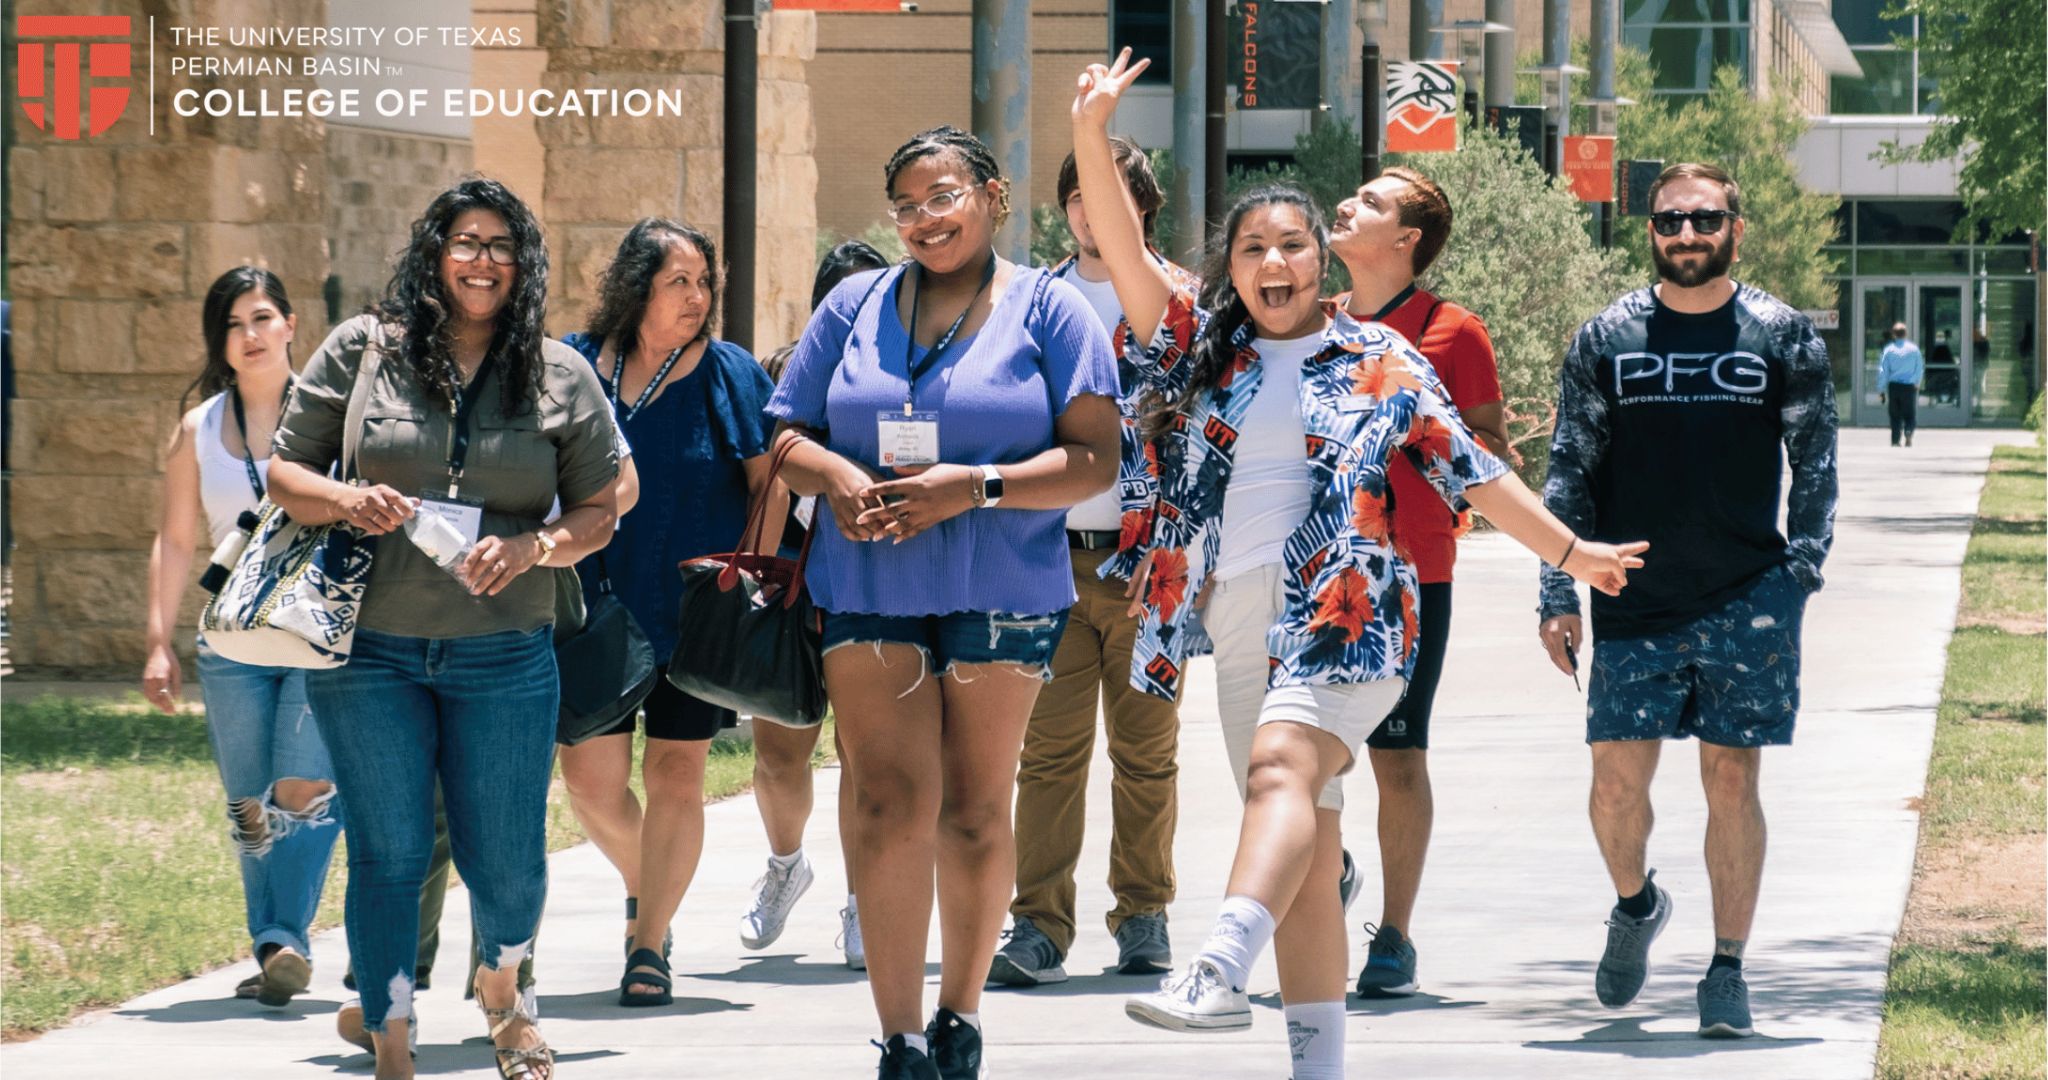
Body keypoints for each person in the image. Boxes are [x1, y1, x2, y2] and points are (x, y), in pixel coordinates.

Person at [1073, 52, 1644, 1080]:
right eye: (1251, 248)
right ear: (1231, 267)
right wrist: (1090, 131)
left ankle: (1213, 969)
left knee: (1278, 774)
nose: (1272, 260)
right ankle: (1318, 1068)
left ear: (1319, 265)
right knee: (1300, 832)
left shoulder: (1381, 358)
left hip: (1350, 611)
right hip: (1240, 615)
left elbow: (1471, 472)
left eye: (1291, 242)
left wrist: (1571, 554)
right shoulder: (1205, 346)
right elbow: (1116, 242)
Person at [765, 125, 1121, 1080]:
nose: (925, 219)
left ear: (992, 195)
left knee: (972, 808)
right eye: (907, 205)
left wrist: (975, 486)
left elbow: (1097, 461)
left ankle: (960, 1015)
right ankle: (900, 1037)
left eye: (944, 196)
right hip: (870, 581)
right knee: (887, 804)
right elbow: (784, 437)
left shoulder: (1051, 312)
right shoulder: (854, 303)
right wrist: (835, 474)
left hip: (1002, 591)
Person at [269, 176, 621, 1080]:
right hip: (369, 652)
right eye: (466, 241)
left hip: (504, 652)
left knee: (504, 859)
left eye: (502, 246)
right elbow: (284, 473)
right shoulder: (362, 352)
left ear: (524, 265)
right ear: (434, 252)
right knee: (387, 852)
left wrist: (535, 546)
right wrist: (349, 497)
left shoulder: (557, 372)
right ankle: (390, 1030)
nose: (482, 261)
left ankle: (504, 991)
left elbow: (598, 512)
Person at [1538, 162, 1838, 1040]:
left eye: (1705, 220)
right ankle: (1636, 905)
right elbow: (1570, 468)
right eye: (1671, 221)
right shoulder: (1608, 336)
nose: (1687, 235)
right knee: (1613, 787)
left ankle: (1727, 968)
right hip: (1631, 592)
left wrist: (1800, 575)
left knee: (1732, 779)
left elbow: (1816, 466)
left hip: (1748, 597)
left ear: (1734, 229)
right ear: (1652, 231)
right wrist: (1558, 585)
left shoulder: (1782, 336)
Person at [555, 217, 783, 1008]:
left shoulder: (730, 374)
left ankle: (648, 942)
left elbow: (772, 482)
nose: (696, 298)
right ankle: (646, 882)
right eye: (677, 282)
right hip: (594, 608)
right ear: (635, 289)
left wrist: (751, 578)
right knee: (589, 782)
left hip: (698, 612)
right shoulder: (575, 364)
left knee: (676, 772)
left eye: (703, 282)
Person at [990, 138, 1198, 988]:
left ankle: (1143, 915)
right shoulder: (1031, 302)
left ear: (1140, 203)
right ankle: (1039, 925)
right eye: (1076, 193)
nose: (1087, 210)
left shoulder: (1181, 301)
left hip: (1151, 567)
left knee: (1147, 753)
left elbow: (1203, 438)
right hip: (1046, 560)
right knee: (1046, 756)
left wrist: (1180, 544)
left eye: (1106, 193)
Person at [1326, 167, 1512, 998]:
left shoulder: (1453, 331)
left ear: (1406, 241)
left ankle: (1394, 936)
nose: (1345, 206)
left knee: (1396, 758)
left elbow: (1492, 460)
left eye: (1369, 202)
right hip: (1314, 573)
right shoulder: (1309, 324)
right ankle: (1320, 864)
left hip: (1411, 574)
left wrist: (1410, 441)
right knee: (1300, 753)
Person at [141, 266, 341, 1009]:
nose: (249, 335)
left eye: (262, 318)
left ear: (291, 325)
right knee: (252, 804)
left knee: (304, 789)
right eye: (233, 324)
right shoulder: (199, 431)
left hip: (315, 635)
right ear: (219, 342)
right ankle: (274, 943)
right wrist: (158, 641)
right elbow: (174, 537)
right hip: (230, 644)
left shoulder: (331, 413)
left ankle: (285, 938)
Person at [743, 239, 893, 973]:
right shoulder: (787, 372)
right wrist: (761, 583)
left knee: (864, 762)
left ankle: (866, 904)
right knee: (777, 757)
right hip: (796, 589)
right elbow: (774, 480)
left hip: (867, 590)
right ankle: (785, 865)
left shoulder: (901, 373)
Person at [1878, 321, 1923, 447]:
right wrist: (1917, 382)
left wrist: (1881, 389)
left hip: (1894, 386)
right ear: (1906, 333)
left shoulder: (1889, 350)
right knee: (1910, 414)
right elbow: (1919, 368)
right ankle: (1908, 431)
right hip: (1909, 387)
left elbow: (1883, 370)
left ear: (1894, 334)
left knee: (1895, 415)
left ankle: (1895, 440)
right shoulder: (1914, 350)